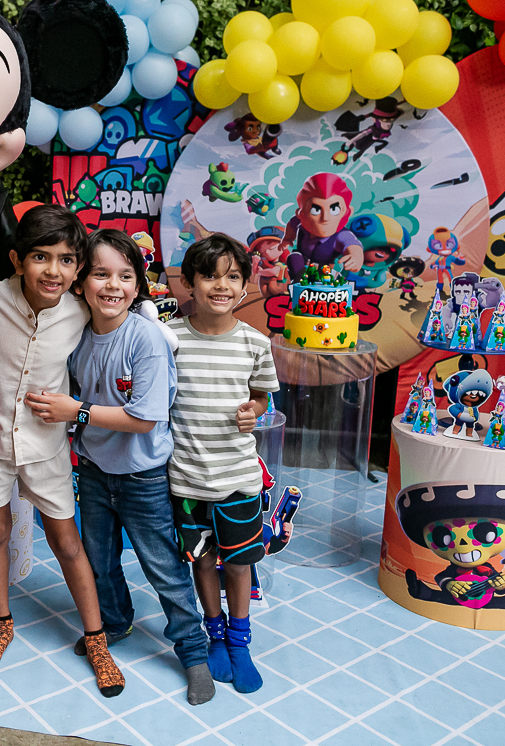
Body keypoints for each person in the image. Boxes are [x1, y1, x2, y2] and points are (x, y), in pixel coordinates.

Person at [24, 229, 215, 706]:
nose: (113, 285)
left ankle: (194, 652)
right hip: (93, 471)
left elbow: (144, 418)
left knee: (163, 567)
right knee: (99, 561)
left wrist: (76, 411)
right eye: (101, 274)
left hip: (142, 477)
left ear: (138, 283)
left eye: (126, 276)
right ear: (81, 282)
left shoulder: (145, 338)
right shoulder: (78, 335)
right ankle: (114, 621)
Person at [0, 205, 124, 697]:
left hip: (47, 446)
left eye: (66, 260)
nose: (53, 270)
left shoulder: (81, 311)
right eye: (41, 257)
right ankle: (1, 623)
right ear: (18, 260)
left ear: (78, 269)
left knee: (66, 542)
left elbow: (127, 320)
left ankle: (96, 639)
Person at [166, 233, 281, 694]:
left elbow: (261, 397)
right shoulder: (170, 339)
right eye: (210, 276)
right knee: (203, 559)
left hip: (238, 478)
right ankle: (213, 634)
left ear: (245, 284)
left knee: (238, 564)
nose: (222, 286)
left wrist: (254, 410)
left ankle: (239, 641)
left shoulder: (255, 343)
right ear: (188, 283)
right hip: (187, 479)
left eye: (232, 277)